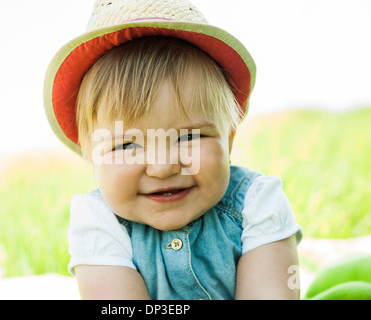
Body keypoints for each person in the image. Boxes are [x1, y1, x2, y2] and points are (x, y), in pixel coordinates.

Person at [44, 0, 303, 300]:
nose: (163, 167)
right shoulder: (99, 225)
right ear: (93, 155)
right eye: (127, 145)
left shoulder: (256, 204)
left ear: (227, 140)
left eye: (189, 137)